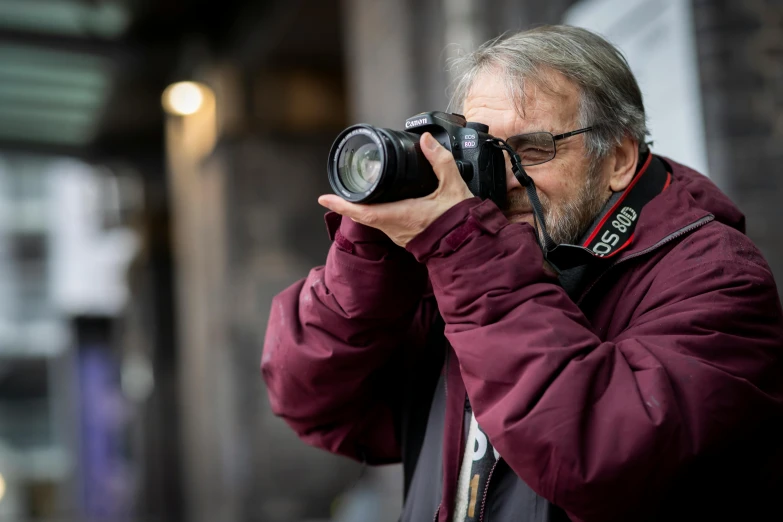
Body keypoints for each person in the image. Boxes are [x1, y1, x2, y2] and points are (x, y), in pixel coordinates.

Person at [261, 25, 783, 522]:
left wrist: (463, 246)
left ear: (619, 157)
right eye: (486, 152)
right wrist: (371, 257)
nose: (504, 180)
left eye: (533, 150)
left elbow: (600, 458)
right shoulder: (458, 271)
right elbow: (312, 401)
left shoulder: (718, 277)